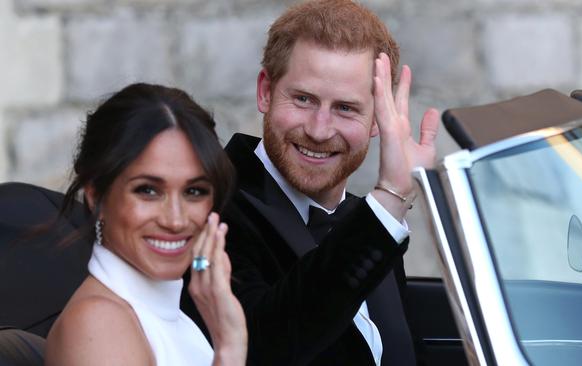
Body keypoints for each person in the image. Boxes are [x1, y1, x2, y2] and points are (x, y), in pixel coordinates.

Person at [181, 1, 440, 365]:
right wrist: (390, 198)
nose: (319, 130)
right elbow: (259, 347)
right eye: (303, 99)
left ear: (378, 121)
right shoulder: (210, 208)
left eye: (345, 108)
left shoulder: (367, 221)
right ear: (266, 93)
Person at [44, 83, 247, 366]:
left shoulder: (170, 316)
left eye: (194, 191)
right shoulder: (99, 325)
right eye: (148, 191)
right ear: (95, 195)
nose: (175, 220)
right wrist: (229, 351)